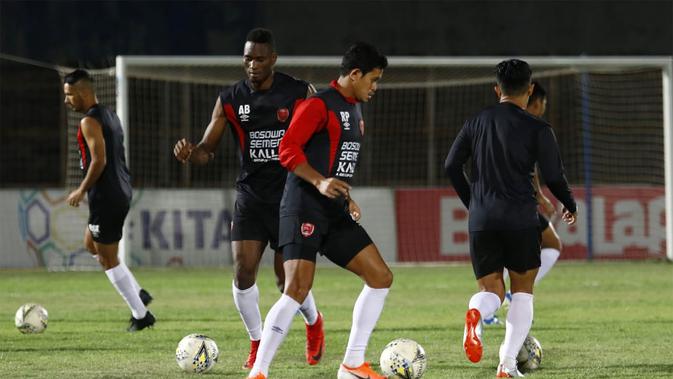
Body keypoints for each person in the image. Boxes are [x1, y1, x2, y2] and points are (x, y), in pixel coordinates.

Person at [172, 28, 324, 369]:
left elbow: (322, 135)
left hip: (292, 196)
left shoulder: (299, 92)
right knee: (243, 273)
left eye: (259, 58)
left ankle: (314, 323)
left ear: (273, 59)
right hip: (251, 197)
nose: (252, 65)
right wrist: (191, 153)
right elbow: (206, 151)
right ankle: (257, 341)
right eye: (247, 58)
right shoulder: (230, 99)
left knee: (287, 280)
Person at [246, 42, 391, 379]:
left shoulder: (355, 110)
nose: (375, 86)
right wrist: (320, 182)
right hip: (304, 206)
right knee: (296, 288)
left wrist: (343, 195)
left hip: (334, 210)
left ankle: (353, 364)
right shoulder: (318, 105)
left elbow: (336, 159)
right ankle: (259, 372)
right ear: (354, 75)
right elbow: (287, 150)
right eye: (373, 79)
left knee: (380, 277)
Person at [445, 59, 577, 377]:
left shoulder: (476, 121)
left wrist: (473, 202)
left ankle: (475, 313)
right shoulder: (538, 128)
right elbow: (554, 175)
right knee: (522, 291)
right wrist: (569, 202)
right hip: (520, 218)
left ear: (496, 89)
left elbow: (451, 165)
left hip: (483, 218)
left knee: (491, 289)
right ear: (530, 90)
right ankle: (505, 366)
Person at [63, 69, 155, 332]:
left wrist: (81, 190)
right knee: (90, 243)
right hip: (119, 190)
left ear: (82, 93)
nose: (67, 100)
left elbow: (99, 160)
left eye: (69, 95)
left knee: (107, 258)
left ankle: (141, 315)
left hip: (107, 195)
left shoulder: (88, 122)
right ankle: (139, 292)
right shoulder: (110, 115)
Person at [482, 81, 564, 326]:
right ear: (534, 100)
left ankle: (488, 308)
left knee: (502, 255)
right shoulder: (530, 125)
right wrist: (540, 196)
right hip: (513, 203)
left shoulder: (495, 120)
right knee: (549, 244)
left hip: (490, 201)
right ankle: (501, 302)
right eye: (543, 104)